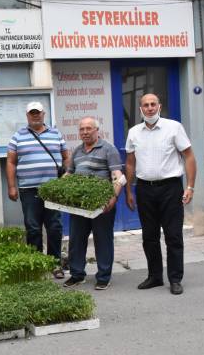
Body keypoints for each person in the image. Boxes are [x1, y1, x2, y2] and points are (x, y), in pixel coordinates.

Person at [125, 93, 196, 295]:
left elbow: (189, 156)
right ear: (140, 109)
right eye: (145, 105)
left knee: (173, 236)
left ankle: (175, 278)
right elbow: (130, 163)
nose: (149, 108)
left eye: (153, 104)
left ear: (159, 106)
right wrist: (129, 190)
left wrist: (190, 186)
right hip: (145, 189)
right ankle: (155, 276)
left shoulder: (174, 127)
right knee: (149, 237)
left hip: (171, 189)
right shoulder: (134, 132)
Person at [6, 101, 69, 279]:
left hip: (53, 189)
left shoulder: (56, 133)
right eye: (32, 113)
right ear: (27, 116)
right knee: (33, 228)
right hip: (28, 189)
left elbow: (66, 157)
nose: (35, 115)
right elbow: (10, 162)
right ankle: (36, 264)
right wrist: (11, 186)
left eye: (38, 113)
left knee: (55, 227)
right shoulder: (17, 136)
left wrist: (66, 176)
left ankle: (54, 263)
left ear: (44, 114)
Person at [64, 117, 124, 290]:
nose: (85, 132)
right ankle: (76, 275)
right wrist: (56, 189)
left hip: (101, 204)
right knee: (76, 240)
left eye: (89, 128)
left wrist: (113, 198)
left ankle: (103, 277)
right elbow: (69, 174)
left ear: (97, 130)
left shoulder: (108, 149)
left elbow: (117, 175)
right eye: (82, 129)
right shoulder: (76, 151)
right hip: (79, 205)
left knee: (103, 240)